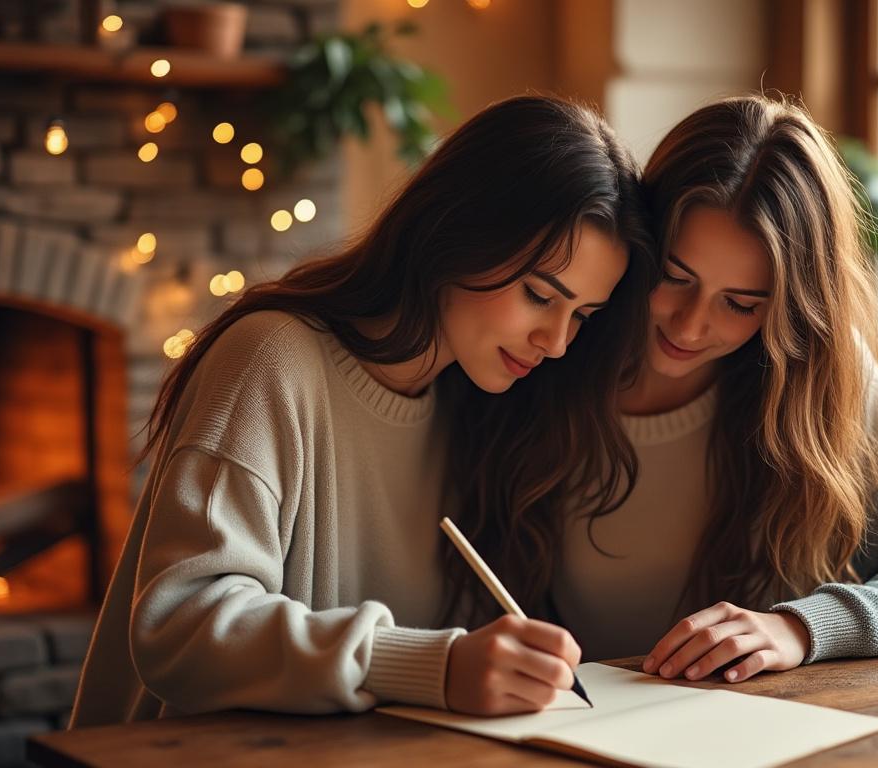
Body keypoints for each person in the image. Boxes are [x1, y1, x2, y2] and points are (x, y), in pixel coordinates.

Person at [71, 95, 658, 726]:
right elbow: (181, 626)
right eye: (540, 295)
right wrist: (432, 667)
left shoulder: (483, 412)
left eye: (583, 316)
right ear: (458, 232)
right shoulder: (271, 358)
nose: (558, 342)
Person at [550, 96, 878, 682]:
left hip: (758, 713)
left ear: (788, 308)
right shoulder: (550, 347)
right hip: (569, 709)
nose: (690, 327)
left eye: (740, 304)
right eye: (674, 277)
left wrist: (800, 628)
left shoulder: (822, 377)